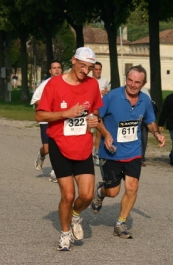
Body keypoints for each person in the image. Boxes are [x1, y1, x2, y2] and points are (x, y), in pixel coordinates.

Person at [35, 47, 102, 251]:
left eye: (90, 68)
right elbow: (40, 116)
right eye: (82, 66)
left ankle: (75, 216)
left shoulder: (92, 85)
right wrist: (66, 113)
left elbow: (95, 109)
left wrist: (94, 119)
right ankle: (65, 235)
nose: (86, 71)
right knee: (68, 195)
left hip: (82, 145)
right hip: (60, 145)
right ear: (73, 60)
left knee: (88, 195)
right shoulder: (54, 84)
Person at [91, 65, 165, 239]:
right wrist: (107, 135)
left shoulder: (145, 100)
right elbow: (95, 117)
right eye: (130, 80)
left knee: (132, 187)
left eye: (137, 82)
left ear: (143, 83)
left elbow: (150, 120)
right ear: (126, 79)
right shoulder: (112, 97)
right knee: (113, 191)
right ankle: (101, 191)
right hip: (111, 152)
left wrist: (156, 133)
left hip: (133, 152)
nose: (132, 84)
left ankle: (120, 223)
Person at [31, 60, 63, 183]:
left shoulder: (66, 83)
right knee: (47, 148)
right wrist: (49, 102)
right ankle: (41, 153)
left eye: (58, 67)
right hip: (46, 119)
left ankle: (55, 172)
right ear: (50, 71)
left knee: (59, 145)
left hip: (60, 118)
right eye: (54, 68)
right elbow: (35, 101)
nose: (56, 70)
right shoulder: (45, 85)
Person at [91, 62, 109, 166]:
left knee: (99, 132)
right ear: (92, 70)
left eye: (99, 69)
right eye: (96, 69)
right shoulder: (88, 80)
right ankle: (86, 153)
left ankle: (96, 154)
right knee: (88, 132)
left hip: (101, 108)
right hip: (90, 109)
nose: (98, 71)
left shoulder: (104, 81)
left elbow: (107, 93)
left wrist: (106, 93)